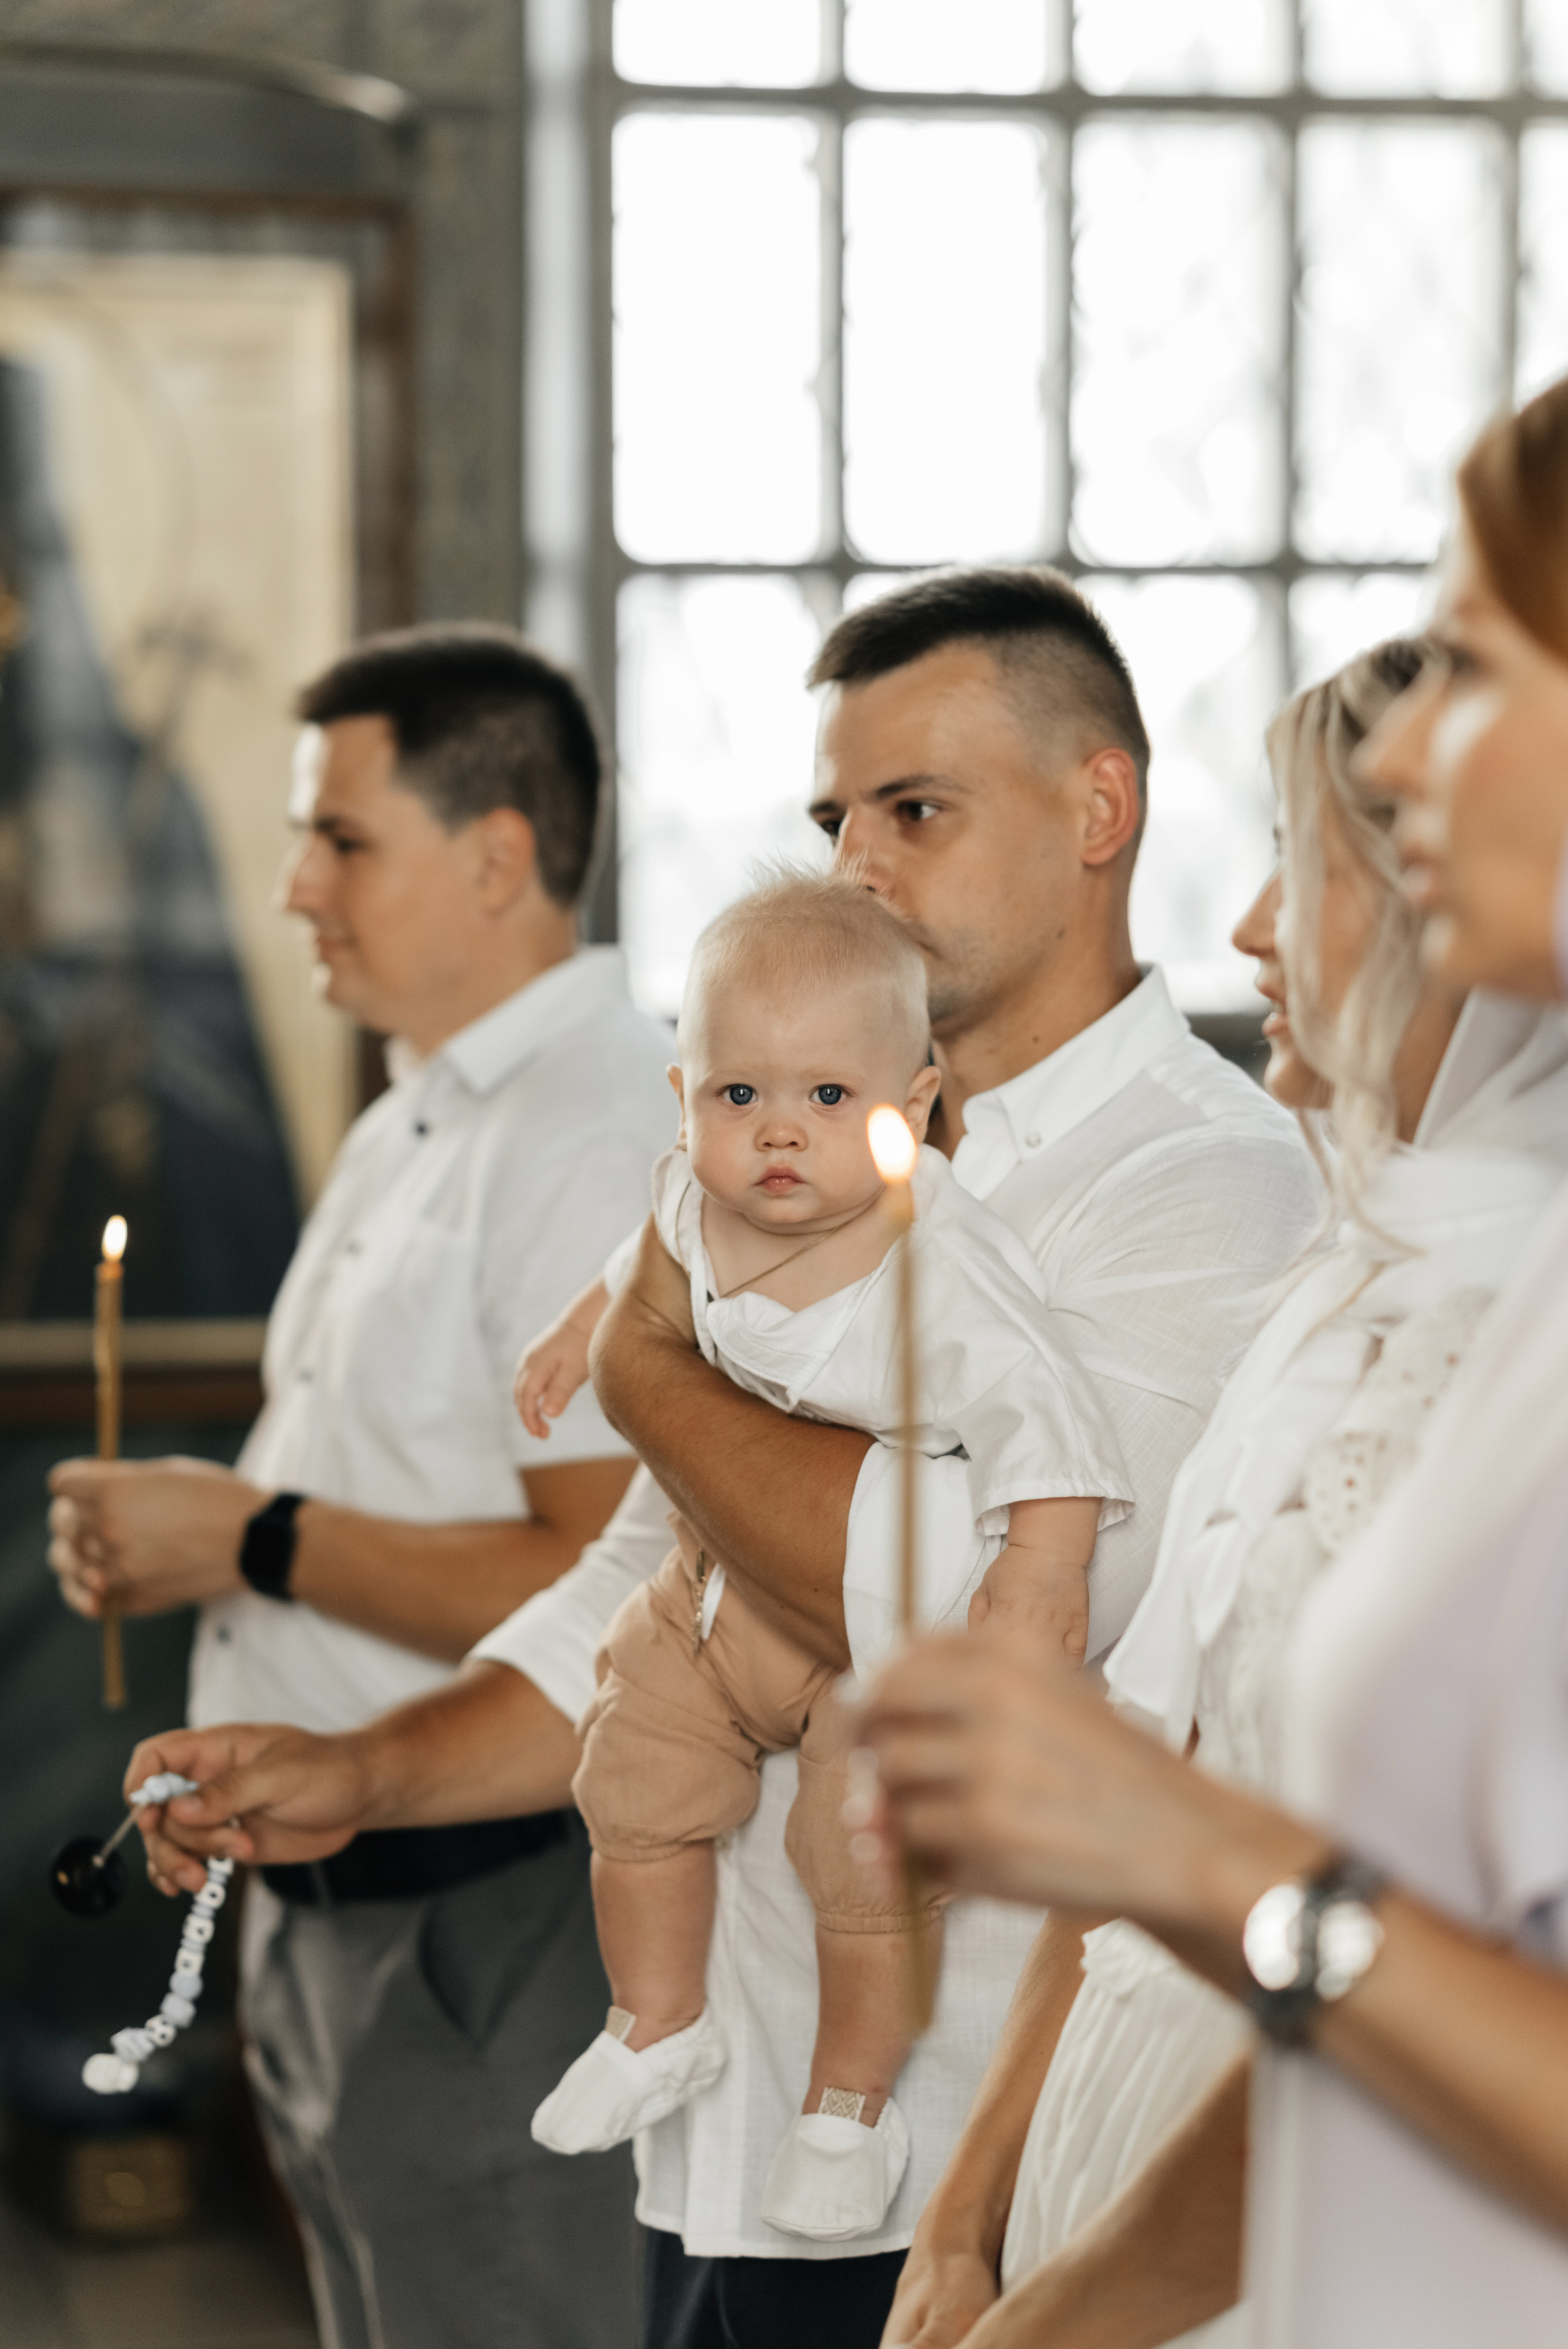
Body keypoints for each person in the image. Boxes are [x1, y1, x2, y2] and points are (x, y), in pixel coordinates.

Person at [124, 568, 1322, 2349]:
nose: (860, 869)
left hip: (969, 2188)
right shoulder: (799, 1157)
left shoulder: (1206, 1184)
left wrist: (640, 1359)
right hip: (721, 2141)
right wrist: (367, 1769)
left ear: (1099, 808)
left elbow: (965, 1606)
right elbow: (650, 1581)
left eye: (915, 810)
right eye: (836, 821)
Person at [856, 377, 1568, 2349]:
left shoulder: (1478, 1283)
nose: (1404, 747)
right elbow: (1386, 1974)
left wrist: (1193, 1850)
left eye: (1478, 664)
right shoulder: (1460, 1276)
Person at [48, 626, 675, 2349]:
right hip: (329, 1888)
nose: (292, 889)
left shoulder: (590, 1126)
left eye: (339, 838)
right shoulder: (422, 1114)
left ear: (495, 855)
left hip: (488, 1908)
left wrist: (248, 1538)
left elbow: (614, 1584)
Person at [523, 869, 1128, 2245]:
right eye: (738, 1095)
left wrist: (1042, 1563)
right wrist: (576, 1335)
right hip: (715, 1593)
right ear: (682, 1098)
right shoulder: (696, 1200)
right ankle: (655, 2019)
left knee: (862, 1852)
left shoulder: (935, 1255)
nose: (779, 1134)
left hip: (873, 1642)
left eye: (829, 1098)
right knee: (632, 1760)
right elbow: (641, 1258)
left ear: (914, 1107)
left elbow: (1040, 1409)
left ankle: (847, 2107)